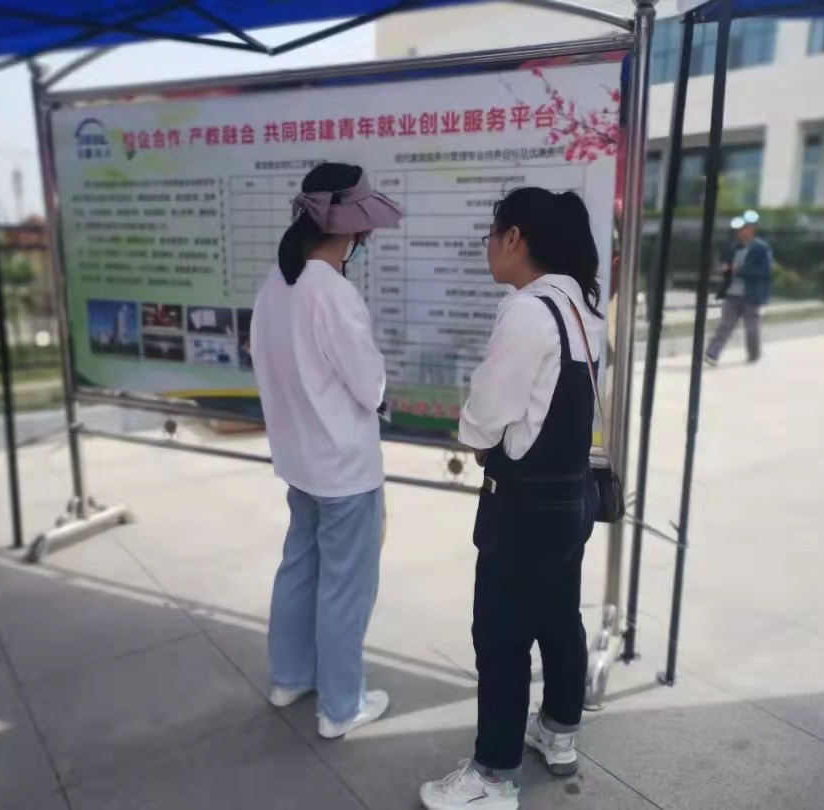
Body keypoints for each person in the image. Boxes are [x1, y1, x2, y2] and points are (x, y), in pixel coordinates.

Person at [420, 188, 602, 810]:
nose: (489, 246)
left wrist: (476, 436)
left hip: (524, 508)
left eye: (492, 234)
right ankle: (558, 731)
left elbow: (483, 421)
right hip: (572, 496)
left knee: (500, 636)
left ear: (515, 237)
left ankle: (493, 776)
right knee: (559, 618)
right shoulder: (580, 307)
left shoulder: (527, 311)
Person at [249, 162, 402, 739]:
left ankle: (289, 677)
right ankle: (341, 708)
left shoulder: (276, 284)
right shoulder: (332, 292)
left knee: (299, 568)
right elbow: (369, 384)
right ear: (351, 229)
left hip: (299, 461)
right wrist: (383, 392)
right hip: (344, 468)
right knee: (345, 587)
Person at [704, 211, 772, 366]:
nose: (740, 232)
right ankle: (712, 354)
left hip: (751, 295)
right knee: (725, 325)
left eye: (743, 229)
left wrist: (740, 271)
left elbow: (764, 272)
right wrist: (726, 270)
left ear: (751, 229)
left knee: (751, 328)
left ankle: (754, 354)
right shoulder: (734, 247)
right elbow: (727, 266)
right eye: (739, 229)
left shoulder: (761, 249)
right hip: (732, 294)